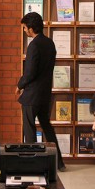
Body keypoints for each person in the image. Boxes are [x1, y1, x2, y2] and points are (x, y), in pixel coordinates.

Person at [15, 12, 66, 171]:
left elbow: (30, 73)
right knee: (47, 128)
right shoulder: (50, 43)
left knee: (29, 130)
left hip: (32, 96)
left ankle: (31, 165)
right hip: (45, 94)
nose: (24, 31)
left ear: (31, 28)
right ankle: (59, 163)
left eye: (24, 28)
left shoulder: (34, 45)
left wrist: (20, 85)